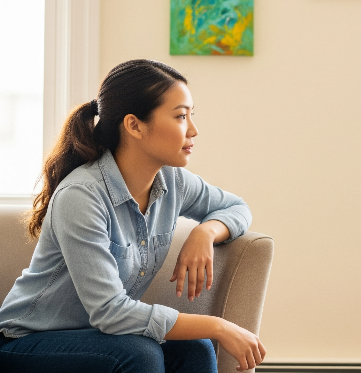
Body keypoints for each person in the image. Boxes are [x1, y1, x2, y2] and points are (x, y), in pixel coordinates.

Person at [0, 59, 266, 373]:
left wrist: (205, 232)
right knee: (140, 354)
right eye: (181, 116)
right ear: (134, 125)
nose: (193, 130)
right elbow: (110, 313)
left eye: (191, 115)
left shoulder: (174, 182)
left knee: (195, 348)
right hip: (25, 342)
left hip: (100, 339)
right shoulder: (81, 195)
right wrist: (218, 326)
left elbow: (237, 208)